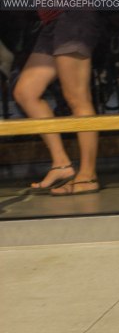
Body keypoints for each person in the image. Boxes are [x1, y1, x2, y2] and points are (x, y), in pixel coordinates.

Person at [14, 10, 103, 195]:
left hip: (74, 14)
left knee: (77, 98)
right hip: (52, 20)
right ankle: (61, 164)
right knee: (26, 92)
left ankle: (88, 176)